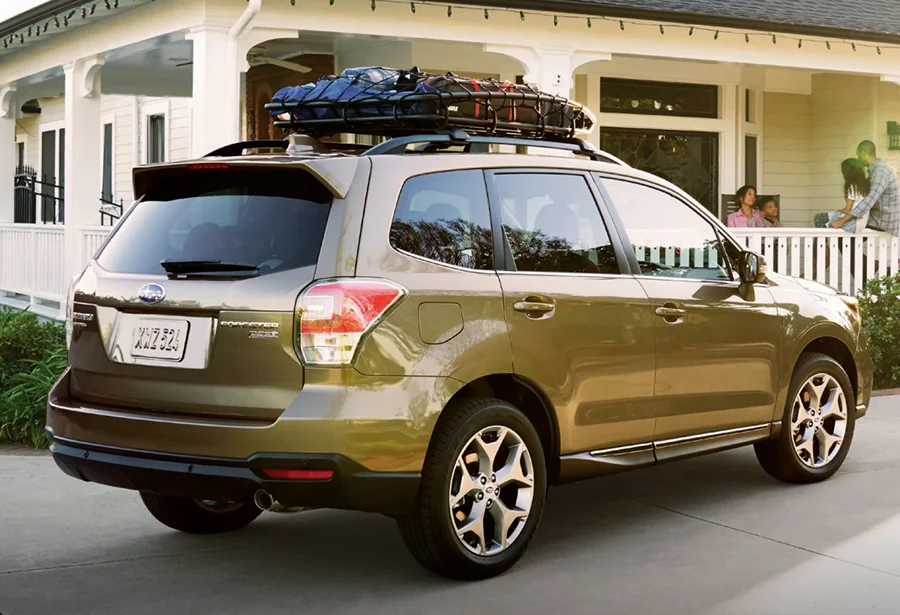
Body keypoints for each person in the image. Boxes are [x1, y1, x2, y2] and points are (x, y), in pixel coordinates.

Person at [828, 141, 900, 236]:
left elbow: (869, 200)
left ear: (863, 154)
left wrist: (842, 220)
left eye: (858, 155)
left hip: (882, 221)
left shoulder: (881, 173)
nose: (858, 159)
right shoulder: (874, 171)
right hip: (874, 217)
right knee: (840, 233)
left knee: (843, 236)